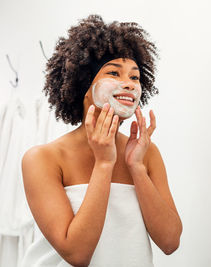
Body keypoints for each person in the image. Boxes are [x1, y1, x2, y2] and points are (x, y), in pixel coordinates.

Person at [20, 14, 182, 266]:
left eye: (135, 77)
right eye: (114, 73)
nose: (128, 84)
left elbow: (170, 242)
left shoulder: (147, 154)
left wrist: (137, 168)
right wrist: (104, 164)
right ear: (84, 85)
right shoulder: (43, 159)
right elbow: (77, 254)